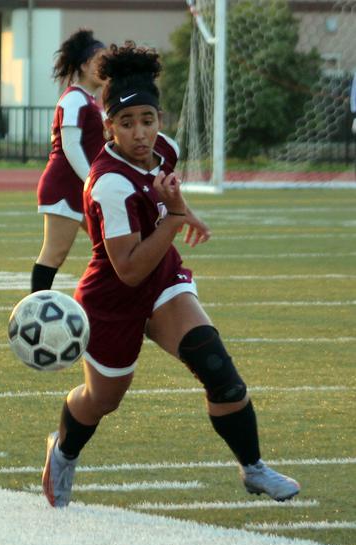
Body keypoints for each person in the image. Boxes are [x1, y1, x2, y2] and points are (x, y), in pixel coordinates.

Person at [40, 42, 300, 508]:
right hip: (114, 295)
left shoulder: (165, 150)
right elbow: (130, 269)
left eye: (147, 119)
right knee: (102, 401)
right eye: (126, 123)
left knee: (218, 369)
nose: (140, 133)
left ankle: (254, 467)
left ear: (160, 119)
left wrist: (184, 212)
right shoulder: (108, 183)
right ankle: (62, 451)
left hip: (162, 279)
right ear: (108, 128)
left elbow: (164, 200)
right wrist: (177, 217)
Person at [32, 29, 106, 292]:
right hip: (65, 185)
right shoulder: (75, 98)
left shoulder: (91, 101)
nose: (105, 67)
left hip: (82, 187)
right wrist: (92, 182)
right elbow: (71, 146)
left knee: (110, 248)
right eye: (100, 61)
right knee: (54, 254)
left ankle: (105, 303)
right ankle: (35, 312)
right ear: (85, 65)